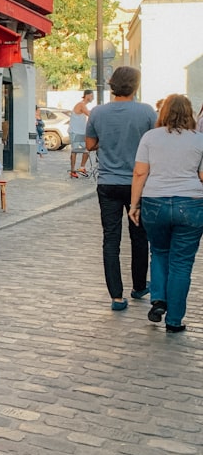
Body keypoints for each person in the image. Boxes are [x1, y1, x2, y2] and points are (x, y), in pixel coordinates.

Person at [129, 94, 203, 333]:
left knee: (159, 252)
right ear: (189, 113)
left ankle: (159, 299)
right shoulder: (199, 140)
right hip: (190, 203)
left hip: (154, 201)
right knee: (182, 263)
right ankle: (174, 321)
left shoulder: (150, 137)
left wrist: (134, 205)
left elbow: (140, 173)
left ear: (164, 113)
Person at [85, 67, 156, 310]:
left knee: (111, 239)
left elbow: (90, 144)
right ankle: (138, 286)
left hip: (107, 182)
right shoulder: (146, 112)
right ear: (135, 86)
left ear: (112, 84)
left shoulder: (97, 112)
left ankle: (116, 295)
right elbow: (155, 142)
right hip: (139, 183)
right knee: (139, 236)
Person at [69, 90, 93, 178]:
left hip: (82, 132)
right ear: (87, 96)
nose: (92, 98)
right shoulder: (81, 105)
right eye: (91, 96)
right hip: (75, 132)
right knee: (74, 151)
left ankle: (82, 167)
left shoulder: (84, 105)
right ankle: (72, 170)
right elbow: (89, 113)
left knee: (87, 148)